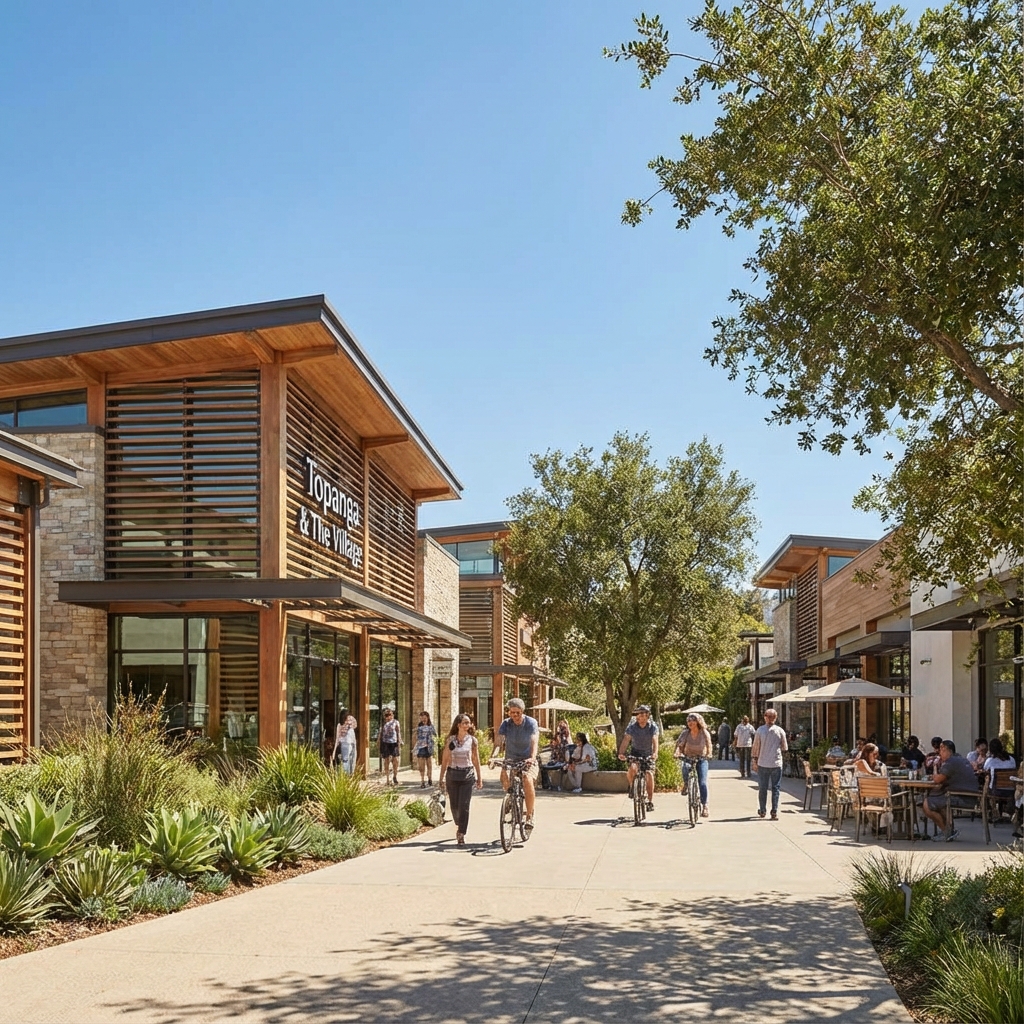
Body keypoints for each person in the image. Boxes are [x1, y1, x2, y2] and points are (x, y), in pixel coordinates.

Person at [492, 698, 540, 829]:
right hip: (511, 759)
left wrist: (532, 757)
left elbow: (534, 740)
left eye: (517, 713)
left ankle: (530, 816)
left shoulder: (531, 723)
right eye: (512, 712)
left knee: (527, 779)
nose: (515, 715)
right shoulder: (506, 724)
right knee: (503, 775)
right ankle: (510, 798)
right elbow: (499, 742)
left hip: (527, 759)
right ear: (508, 712)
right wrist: (494, 756)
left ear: (522, 712)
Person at [921, 740, 980, 841]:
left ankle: (946, 832)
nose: (940, 753)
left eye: (941, 750)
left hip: (962, 796)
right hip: (970, 795)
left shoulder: (951, 762)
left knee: (927, 804)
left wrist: (934, 776)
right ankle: (949, 830)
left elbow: (939, 779)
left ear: (946, 750)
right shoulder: (961, 759)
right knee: (937, 799)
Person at [438, 713, 483, 845]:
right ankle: (459, 822)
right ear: (458, 725)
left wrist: (479, 778)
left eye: (468, 723)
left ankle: (461, 832)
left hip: (467, 775)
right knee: (454, 806)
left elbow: (476, 759)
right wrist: (441, 778)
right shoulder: (451, 740)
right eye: (464, 723)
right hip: (452, 774)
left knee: (464, 805)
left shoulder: (472, 741)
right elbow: (445, 759)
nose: (467, 725)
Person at [618, 704, 659, 812]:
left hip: (648, 754)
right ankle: (632, 787)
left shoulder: (652, 726)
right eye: (640, 715)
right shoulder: (632, 727)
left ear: (647, 716)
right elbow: (626, 740)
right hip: (635, 752)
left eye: (644, 715)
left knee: (649, 774)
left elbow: (655, 740)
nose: (641, 717)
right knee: (632, 768)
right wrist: (621, 753)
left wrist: (655, 753)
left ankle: (650, 801)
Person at [751, 707, 789, 820]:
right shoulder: (780, 731)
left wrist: (754, 760)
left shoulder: (760, 730)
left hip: (763, 763)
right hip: (776, 763)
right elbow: (784, 747)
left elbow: (755, 747)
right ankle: (774, 811)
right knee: (775, 788)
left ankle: (763, 810)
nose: (770, 718)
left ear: (765, 718)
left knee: (763, 788)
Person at [675, 713, 713, 816]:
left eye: (693, 720)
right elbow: (680, 745)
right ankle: (686, 784)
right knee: (685, 767)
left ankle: (705, 805)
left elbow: (709, 744)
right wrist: (677, 752)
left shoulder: (704, 732)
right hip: (688, 757)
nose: (690, 723)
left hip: (702, 758)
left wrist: (709, 754)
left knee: (702, 783)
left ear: (698, 722)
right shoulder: (685, 733)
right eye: (688, 721)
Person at [414, 711, 438, 788]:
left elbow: (435, 734)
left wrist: (433, 742)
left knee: (429, 764)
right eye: (422, 718)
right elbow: (416, 737)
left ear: (427, 718)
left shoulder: (431, 726)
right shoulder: (419, 727)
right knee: (421, 766)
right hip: (421, 747)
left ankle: (430, 779)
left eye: (425, 717)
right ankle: (422, 781)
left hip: (429, 747)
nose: (423, 719)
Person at [378, 707, 402, 785]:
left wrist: (399, 742)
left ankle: (395, 776)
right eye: (386, 715)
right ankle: (387, 779)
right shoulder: (383, 723)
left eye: (390, 715)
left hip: (394, 743)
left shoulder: (395, 722)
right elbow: (381, 733)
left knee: (395, 760)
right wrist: (378, 741)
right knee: (386, 761)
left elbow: (398, 732)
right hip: (385, 743)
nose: (388, 716)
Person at [333, 709, 357, 775]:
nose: (349, 718)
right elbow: (337, 738)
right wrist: (334, 751)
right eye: (347, 716)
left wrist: (349, 721)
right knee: (345, 761)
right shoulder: (340, 725)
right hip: (345, 744)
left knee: (352, 761)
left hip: (352, 744)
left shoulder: (350, 724)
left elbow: (355, 724)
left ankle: (350, 775)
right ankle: (345, 776)